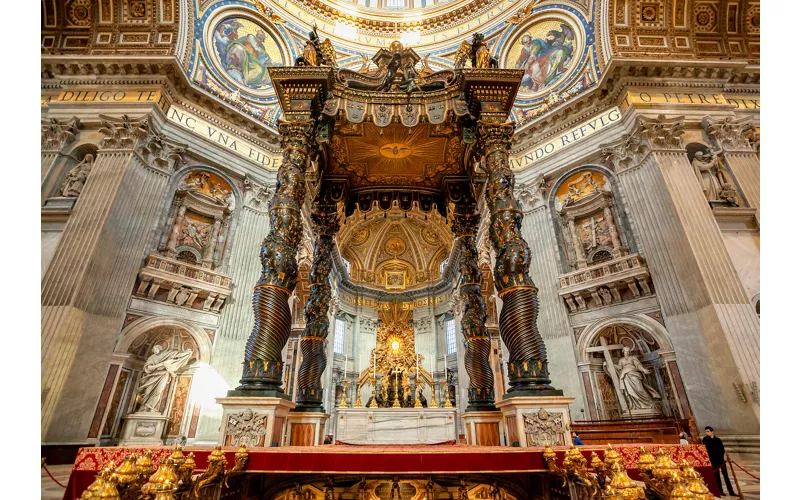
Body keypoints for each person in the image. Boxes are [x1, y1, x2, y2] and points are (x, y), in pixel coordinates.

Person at [702, 426, 736, 497]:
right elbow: (707, 449)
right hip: (713, 460)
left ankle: (731, 491)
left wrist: (721, 457)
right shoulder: (705, 440)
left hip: (720, 460)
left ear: (712, 431)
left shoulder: (718, 440)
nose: (707, 433)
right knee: (717, 477)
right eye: (706, 431)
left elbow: (722, 449)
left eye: (708, 431)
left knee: (726, 476)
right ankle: (720, 491)